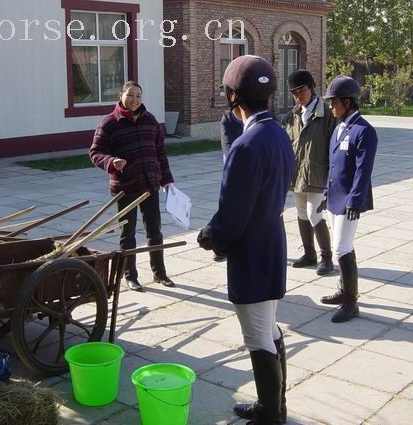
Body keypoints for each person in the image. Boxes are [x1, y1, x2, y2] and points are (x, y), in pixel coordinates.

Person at [197, 55, 294, 425]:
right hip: (272, 240)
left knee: (257, 337)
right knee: (269, 329)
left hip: (252, 251)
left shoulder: (245, 144)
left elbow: (233, 215)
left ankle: (270, 413)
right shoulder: (278, 133)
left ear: (232, 95)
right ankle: (275, 406)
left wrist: (211, 237)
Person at [89, 80, 176, 292]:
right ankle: (130, 276)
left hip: (149, 184)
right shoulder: (109, 123)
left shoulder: (150, 120)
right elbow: (95, 152)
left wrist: (166, 179)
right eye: (130, 95)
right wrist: (111, 162)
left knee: (154, 231)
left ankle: (160, 273)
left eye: (138, 95)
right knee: (127, 233)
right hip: (125, 187)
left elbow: (160, 153)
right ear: (121, 95)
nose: (134, 99)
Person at [317, 76, 378, 323]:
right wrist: (325, 194)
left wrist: (354, 199)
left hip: (349, 201)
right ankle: (344, 292)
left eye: (334, 102)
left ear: (347, 102)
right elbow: (334, 166)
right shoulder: (340, 127)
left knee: (343, 247)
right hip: (334, 197)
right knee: (340, 245)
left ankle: (351, 303)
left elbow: (363, 171)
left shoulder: (365, 131)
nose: (331, 107)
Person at [282, 69, 335, 275]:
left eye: (301, 90)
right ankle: (309, 253)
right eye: (294, 92)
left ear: (311, 88)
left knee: (315, 214)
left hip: (318, 173)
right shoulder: (292, 116)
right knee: (302, 213)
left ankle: (326, 257)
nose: (297, 96)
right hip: (297, 174)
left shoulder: (327, 114)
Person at [213, 108, 244, 263]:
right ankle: (223, 245)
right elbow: (228, 145)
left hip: (252, 169)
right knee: (227, 208)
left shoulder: (253, 113)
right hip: (232, 170)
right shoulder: (228, 117)